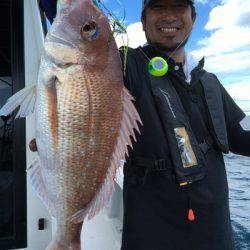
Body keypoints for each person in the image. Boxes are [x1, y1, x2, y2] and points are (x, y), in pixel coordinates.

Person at [34, 0, 250, 249]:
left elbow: (238, 139)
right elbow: (72, 25)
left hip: (216, 233)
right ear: (144, 19)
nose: (169, 16)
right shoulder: (121, 65)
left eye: (179, 7)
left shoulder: (209, 81)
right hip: (150, 232)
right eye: (158, 8)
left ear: (193, 16)